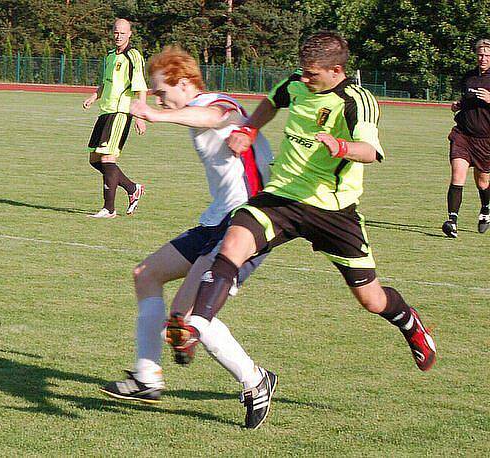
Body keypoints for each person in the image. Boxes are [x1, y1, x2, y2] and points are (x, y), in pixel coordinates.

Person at [165, 31, 437, 380]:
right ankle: (197, 324)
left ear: (336, 70)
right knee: (233, 243)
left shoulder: (356, 101)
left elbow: (370, 151)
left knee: (370, 299)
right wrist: (248, 129)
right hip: (282, 196)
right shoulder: (296, 82)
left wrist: (340, 147)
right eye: (303, 71)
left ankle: (409, 322)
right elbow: (272, 101)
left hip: (331, 210)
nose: (304, 79)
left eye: (313, 74)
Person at [99, 46, 277, 429]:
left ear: (184, 83)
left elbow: (217, 116)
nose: (159, 97)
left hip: (247, 223)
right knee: (146, 275)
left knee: (193, 319)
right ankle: (146, 377)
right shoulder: (196, 110)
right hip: (217, 219)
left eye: (163, 90)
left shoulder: (216, 102)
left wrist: (158, 115)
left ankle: (255, 381)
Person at [82, 18, 147, 218]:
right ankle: (132, 188)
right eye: (116, 32)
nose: (118, 36)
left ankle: (109, 209)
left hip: (121, 112)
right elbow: (106, 82)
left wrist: (139, 115)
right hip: (105, 111)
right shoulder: (110, 56)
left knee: (108, 158)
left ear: (130, 34)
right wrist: (94, 96)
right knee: (95, 159)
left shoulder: (133, 56)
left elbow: (140, 87)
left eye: (122, 33)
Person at [442, 38, 490, 237]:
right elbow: (466, 98)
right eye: (480, 54)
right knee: (457, 175)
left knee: (483, 182)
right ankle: (452, 221)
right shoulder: (469, 77)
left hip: (486, 139)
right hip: (463, 134)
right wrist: (458, 104)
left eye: (487, 55)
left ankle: (486, 208)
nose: (483, 58)